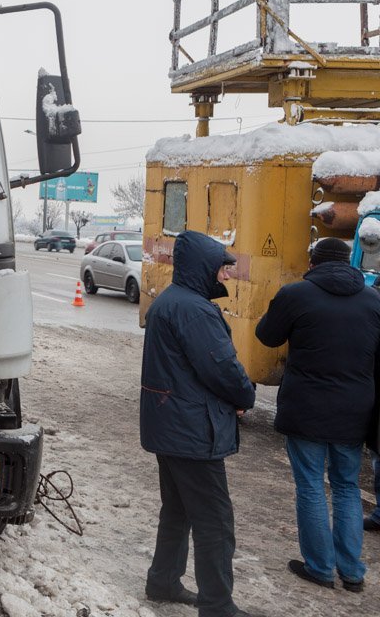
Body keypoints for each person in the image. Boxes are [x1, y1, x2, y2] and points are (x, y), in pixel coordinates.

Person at [141, 231, 256, 617]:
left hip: (172, 424)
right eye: (221, 269)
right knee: (215, 520)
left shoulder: (171, 302)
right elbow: (221, 368)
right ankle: (218, 604)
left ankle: (163, 580)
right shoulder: (194, 310)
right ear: (204, 268)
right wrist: (245, 397)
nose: (224, 276)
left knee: (178, 509)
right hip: (191, 430)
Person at [256, 237, 380, 593]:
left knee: (310, 485)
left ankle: (320, 568)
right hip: (355, 409)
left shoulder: (296, 295)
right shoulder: (374, 301)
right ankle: (352, 571)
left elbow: (266, 336)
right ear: (350, 263)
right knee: (346, 487)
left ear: (314, 263)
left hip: (306, 407)